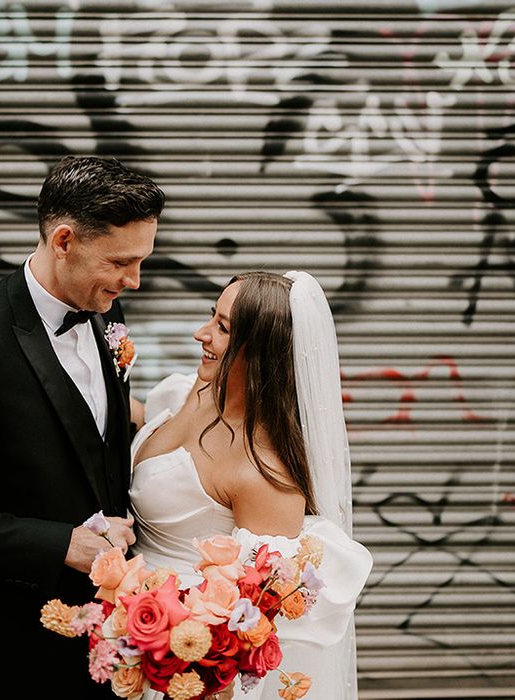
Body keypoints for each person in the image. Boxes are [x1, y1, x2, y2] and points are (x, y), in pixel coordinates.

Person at [0, 155, 165, 699]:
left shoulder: (104, 309)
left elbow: (83, 430)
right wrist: (61, 544)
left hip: (108, 634)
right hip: (15, 640)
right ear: (63, 241)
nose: (134, 281)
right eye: (121, 262)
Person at [130, 270, 373, 699]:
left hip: (182, 670)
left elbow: (253, 628)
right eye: (212, 316)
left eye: (222, 328)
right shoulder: (196, 391)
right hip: (132, 636)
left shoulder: (263, 474)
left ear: (261, 352)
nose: (200, 333)